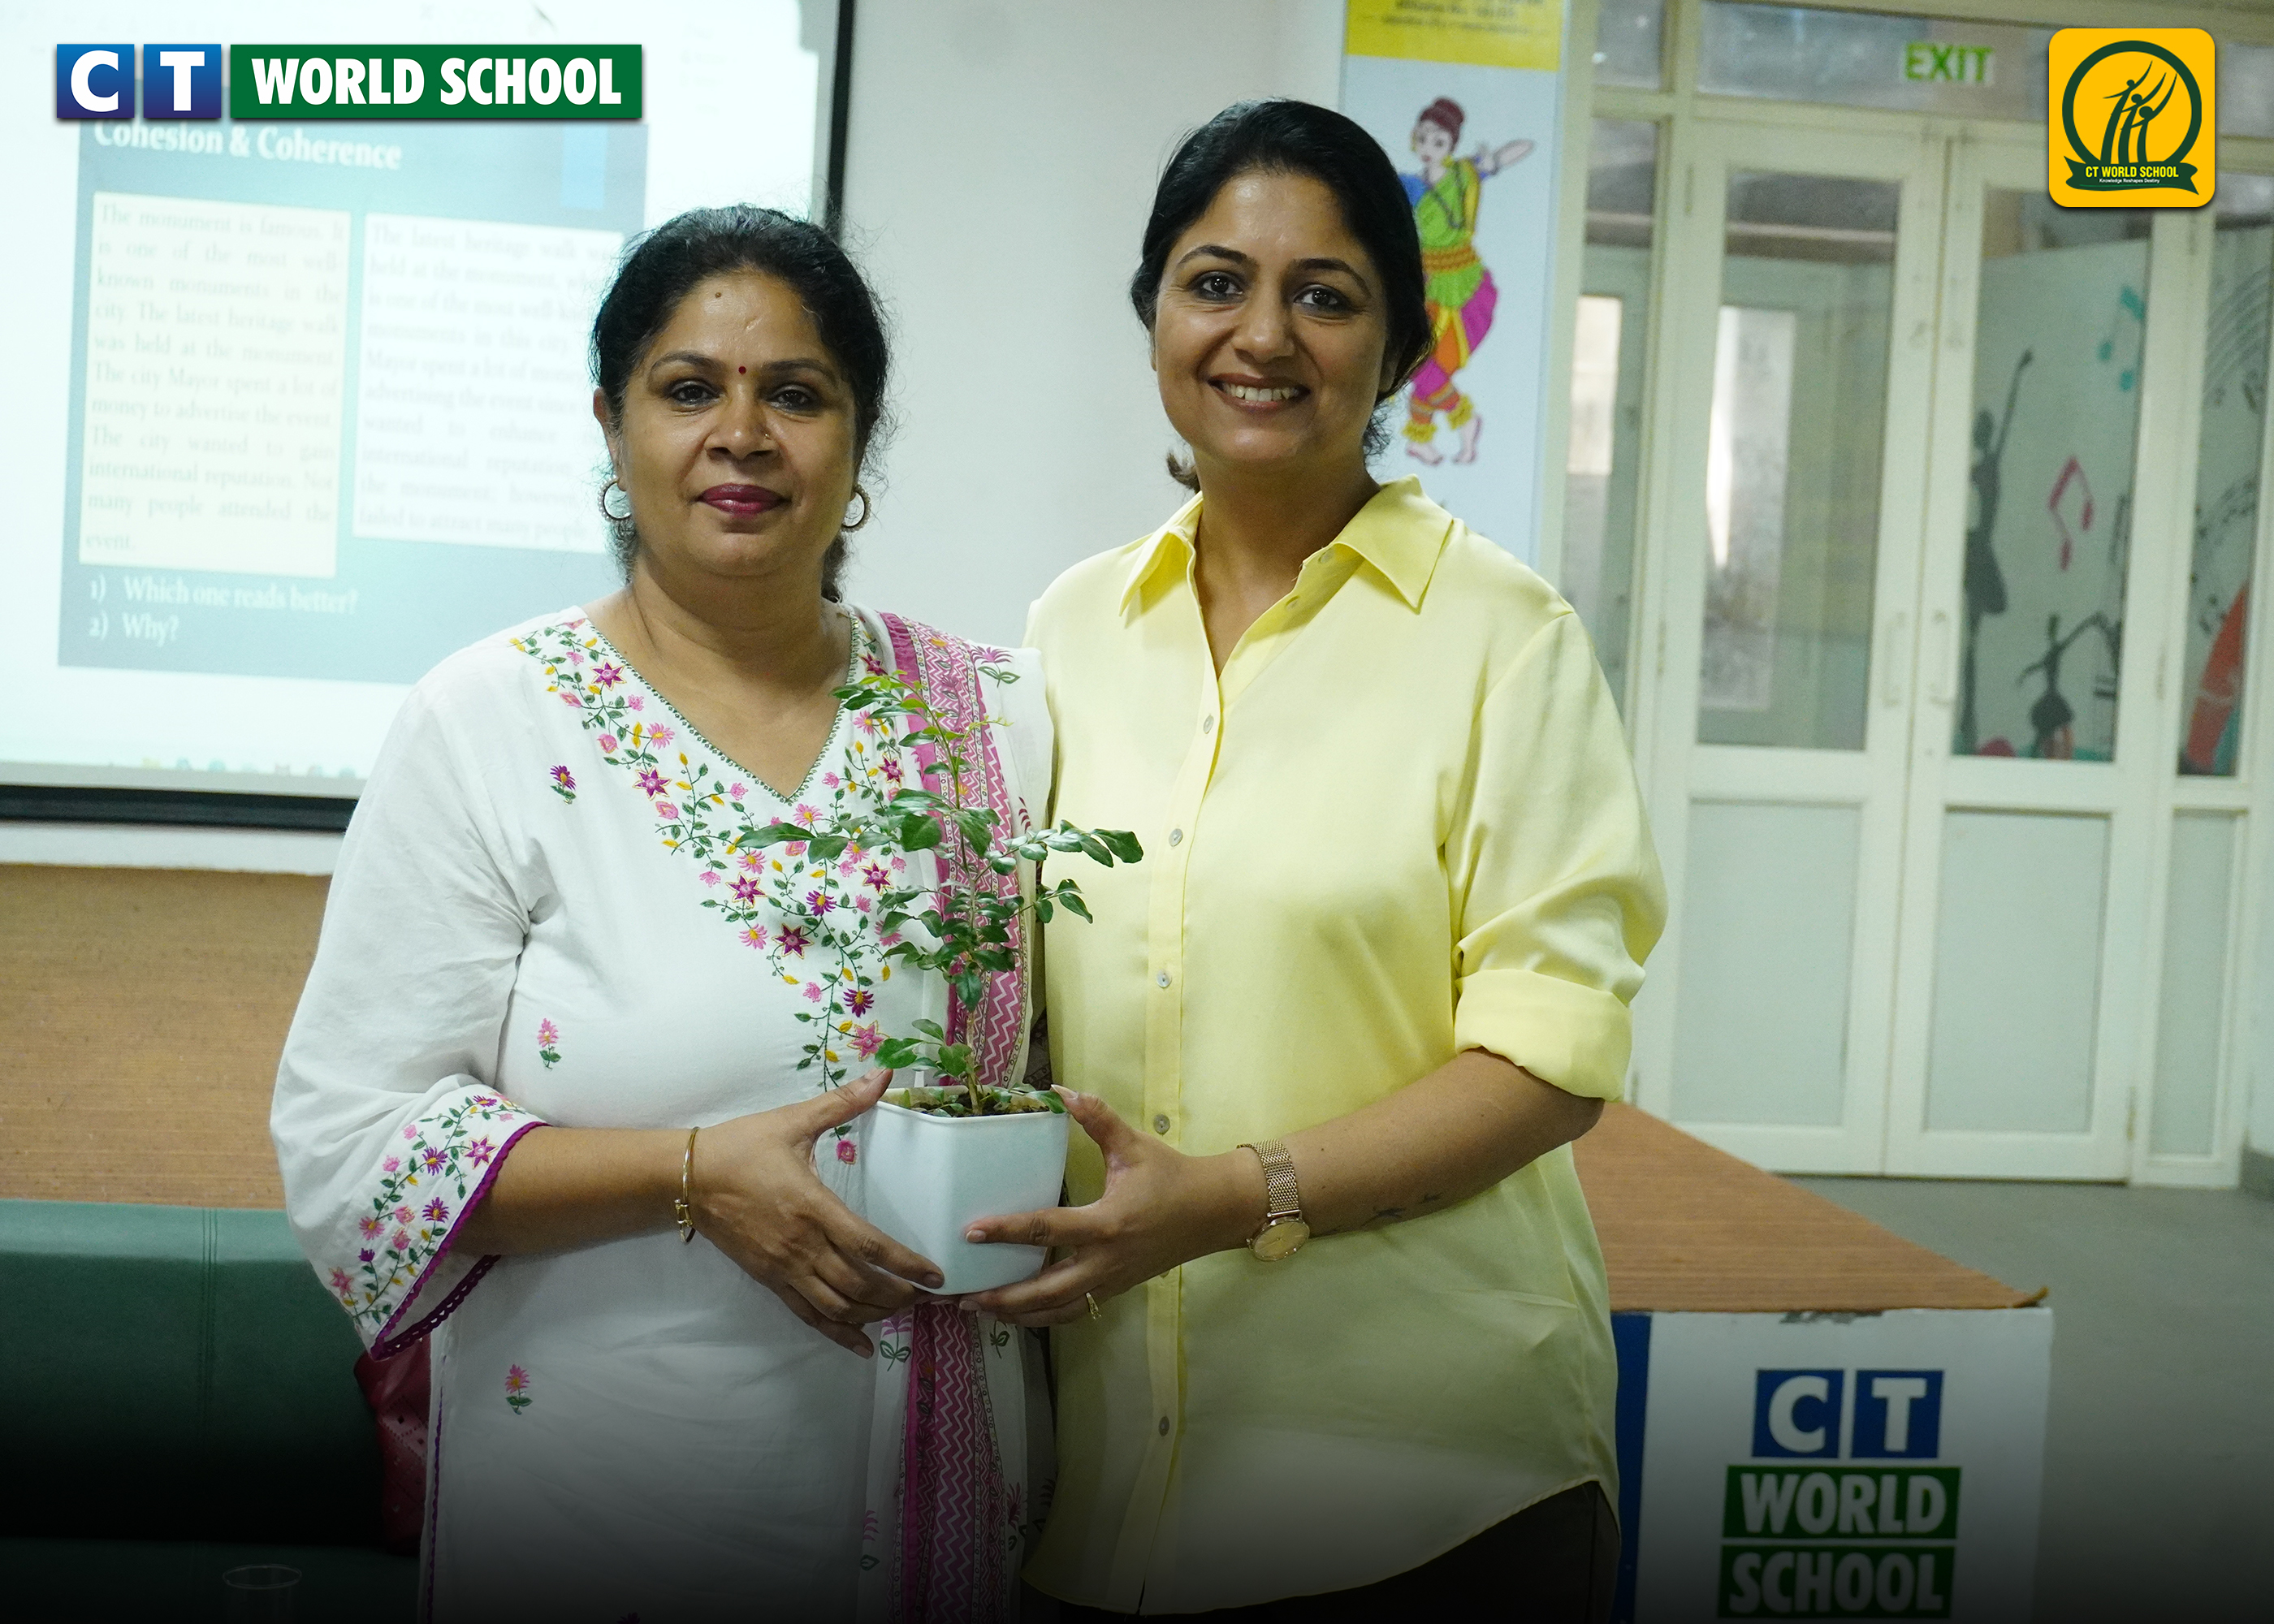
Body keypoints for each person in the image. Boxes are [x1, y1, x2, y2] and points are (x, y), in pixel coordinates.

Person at [272, 206, 1055, 1622]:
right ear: (612, 426)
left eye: (796, 395)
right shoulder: (488, 721)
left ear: (860, 442)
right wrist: (690, 1174)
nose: (741, 435)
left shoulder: (988, 719)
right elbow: (353, 1148)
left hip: (934, 1509)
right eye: (690, 389)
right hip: (598, 1508)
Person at [962, 100, 1664, 1619]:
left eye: (1324, 296)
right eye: (1215, 283)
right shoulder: (1071, 630)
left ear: (1400, 348)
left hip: (1423, 1491)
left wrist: (1238, 1195)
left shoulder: (1507, 639)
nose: (1263, 335)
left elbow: (1549, 1062)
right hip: (1108, 1492)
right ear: (1155, 315)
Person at [1400, 96, 1532, 466]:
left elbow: (1516, 151)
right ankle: (1459, 422)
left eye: (1438, 142)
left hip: (1464, 283)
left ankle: (1442, 430)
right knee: (1419, 360)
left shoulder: (1463, 176)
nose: (1428, 148)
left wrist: (1493, 161)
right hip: (1426, 284)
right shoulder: (1408, 186)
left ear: (1452, 145)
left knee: (1429, 361)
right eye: (1423, 139)